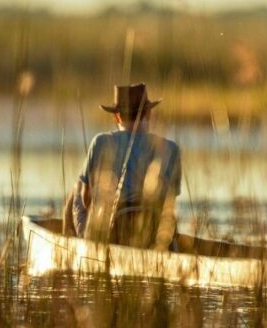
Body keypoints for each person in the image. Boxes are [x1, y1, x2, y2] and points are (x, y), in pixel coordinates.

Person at [63, 83, 181, 250]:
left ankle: (77, 248)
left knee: (78, 188)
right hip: (153, 235)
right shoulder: (171, 148)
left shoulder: (101, 142)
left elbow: (86, 199)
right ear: (148, 113)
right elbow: (169, 205)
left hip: (112, 234)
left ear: (116, 117)